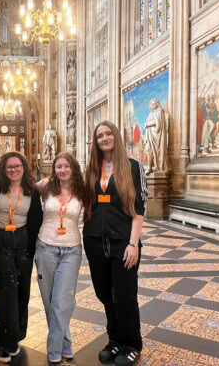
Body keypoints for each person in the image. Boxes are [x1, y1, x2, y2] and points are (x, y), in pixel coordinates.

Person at [82, 121, 148, 366]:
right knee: (103, 293)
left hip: (123, 242)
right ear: (95, 141)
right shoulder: (92, 168)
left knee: (124, 295)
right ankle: (115, 340)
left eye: (108, 133)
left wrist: (133, 243)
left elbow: (140, 209)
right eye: (99, 135)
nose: (104, 138)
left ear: (116, 137)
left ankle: (132, 343)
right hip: (95, 240)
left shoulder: (132, 167)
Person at [0, 151, 43, 363]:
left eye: (18, 166)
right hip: (0, 242)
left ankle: (15, 337)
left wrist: (32, 247)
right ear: (3, 169)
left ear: (24, 168)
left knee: (22, 291)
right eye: (9, 167)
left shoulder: (31, 190)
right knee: (7, 290)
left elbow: (36, 218)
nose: (14, 170)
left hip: (23, 242)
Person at [34, 152, 85, 363]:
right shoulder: (46, 187)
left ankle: (54, 348)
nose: (62, 170)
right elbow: (25, 187)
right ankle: (66, 343)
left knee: (62, 300)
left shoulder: (83, 191)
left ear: (73, 168)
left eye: (66, 166)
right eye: (58, 167)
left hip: (71, 249)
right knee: (49, 301)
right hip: (45, 247)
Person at [144, 99, 168, 173]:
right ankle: (150, 167)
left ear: (157, 104)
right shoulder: (151, 113)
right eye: (151, 104)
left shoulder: (159, 111)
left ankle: (153, 167)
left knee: (155, 150)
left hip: (157, 135)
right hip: (150, 135)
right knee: (148, 149)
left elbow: (158, 122)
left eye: (154, 104)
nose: (153, 105)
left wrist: (147, 124)